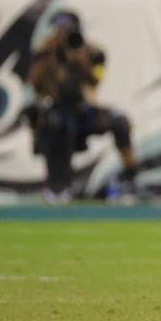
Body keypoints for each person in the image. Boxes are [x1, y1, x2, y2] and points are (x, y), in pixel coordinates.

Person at [26, 10, 138, 204]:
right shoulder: (45, 52)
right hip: (58, 109)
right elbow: (35, 83)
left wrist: (80, 58)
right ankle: (59, 185)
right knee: (57, 124)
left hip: (85, 110)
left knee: (120, 120)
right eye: (60, 30)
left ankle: (130, 176)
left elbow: (96, 79)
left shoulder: (90, 51)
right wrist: (51, 55)